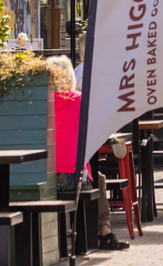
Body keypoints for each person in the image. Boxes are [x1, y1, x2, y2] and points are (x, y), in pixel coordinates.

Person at [53, 67, 129, 250]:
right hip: (76, 178)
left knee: (95, 176)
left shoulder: (42, 103)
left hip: (47, 177)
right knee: (97, 179)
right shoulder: (81, 101)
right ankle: (104, 231)